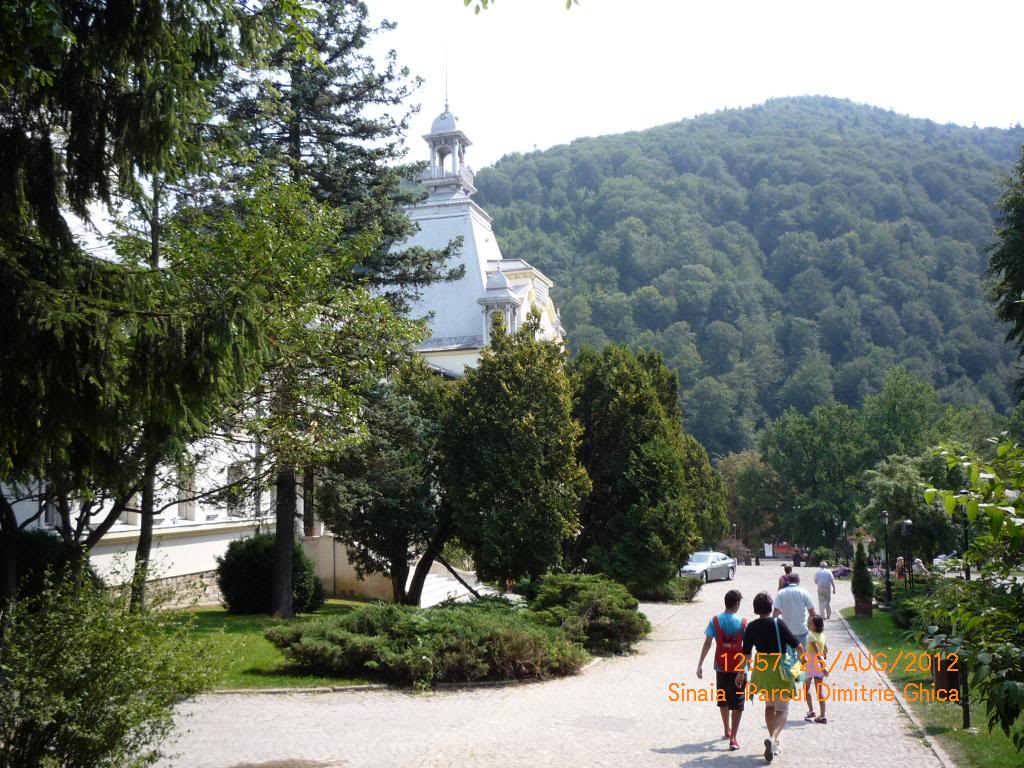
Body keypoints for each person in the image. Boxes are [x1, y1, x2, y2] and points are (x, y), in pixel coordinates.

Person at [736, 591, 805, 763]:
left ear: (755, 608)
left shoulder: (751, 626)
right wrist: (802, 662)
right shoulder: (778, 623)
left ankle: (773, 741)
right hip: (780, 670)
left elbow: (745, 654)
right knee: (782, 709)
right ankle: (773, 738)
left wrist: (740, 673)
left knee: (769, 706)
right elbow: (798, 646)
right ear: (770, 606)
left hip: (763, 670)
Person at [697, 589, 746, 751]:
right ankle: (734, 738)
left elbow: (708, 643)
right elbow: (747, 648)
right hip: (738, 667)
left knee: (723, 698)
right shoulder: (743, 622)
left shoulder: (715, 620)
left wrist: (700, 664)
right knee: (738, 703)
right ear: (737, 603)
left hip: (720, 665)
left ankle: (726, 728)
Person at [774, 572, 816, 648]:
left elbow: (776, 612)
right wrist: (814, 627)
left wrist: (775, 627)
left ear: (788, 581)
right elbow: (812, 611)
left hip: (786, 630)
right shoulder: (804, 592)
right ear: (798, 581)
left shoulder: (781, 593)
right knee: (802, 655)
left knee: (789, 658)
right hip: (802, 629)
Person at [802, 615, 829, 723]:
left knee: (806, 687)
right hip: (818, 665)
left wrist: (823, 668)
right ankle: (822, 715)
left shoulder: (811, 636)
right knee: (819, 691)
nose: (808, 624)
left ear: (815, 625)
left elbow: (817, 652)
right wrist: (823, 665)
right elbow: (825, 650)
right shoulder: (822, 635)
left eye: (810, 623)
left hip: (811, 665)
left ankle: (811, 710)